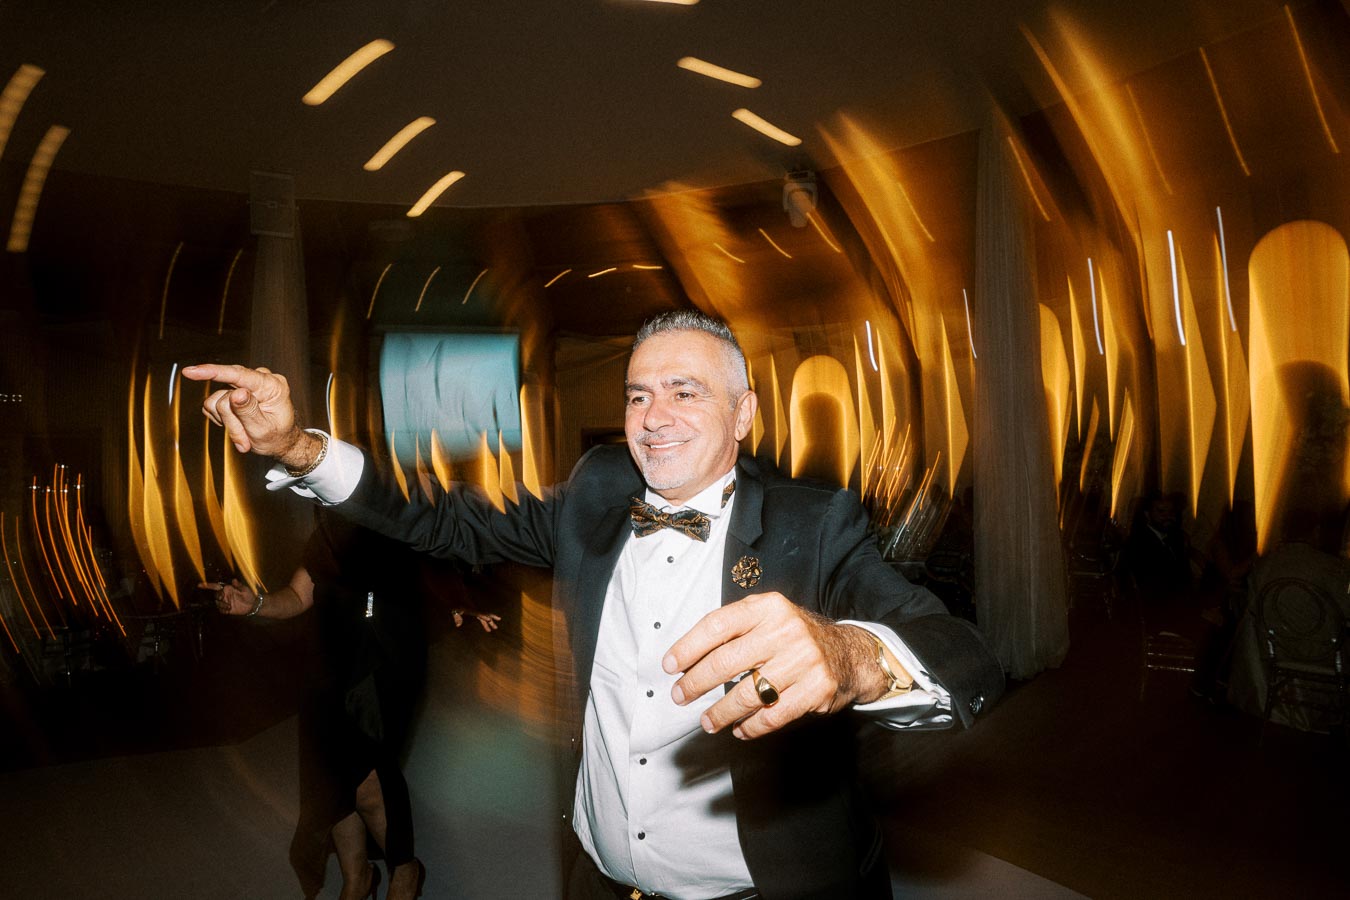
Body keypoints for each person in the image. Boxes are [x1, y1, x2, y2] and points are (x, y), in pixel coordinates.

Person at [185, 310, 1005, 899]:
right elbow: (443, 519)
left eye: (685, 391)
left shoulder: (810, 524)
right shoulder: (597, 493)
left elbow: (965, 654)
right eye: (638, 395)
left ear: (743, 413)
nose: (654, 419)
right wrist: (298, 447)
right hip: (600, 877)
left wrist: (851, 656)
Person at [206, 511, 499, 900]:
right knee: (331, 782)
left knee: (368, 783)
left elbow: (435, 567)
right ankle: (357, 877)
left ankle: (405, 869)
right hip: (328, 672)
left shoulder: (395, 515)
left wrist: (461, 603)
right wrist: (256, 604)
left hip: (383, 669)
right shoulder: (328, 532)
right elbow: (298, 596)